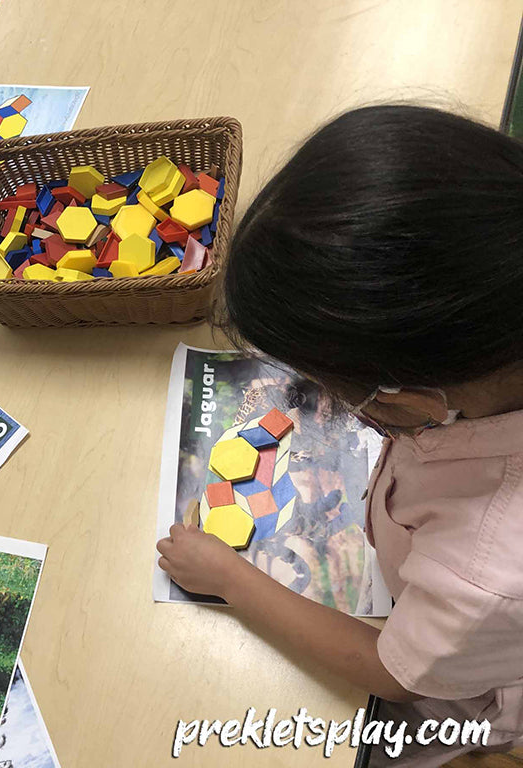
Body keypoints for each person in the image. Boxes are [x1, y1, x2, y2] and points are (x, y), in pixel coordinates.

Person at [157, 105, 523, 764]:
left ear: (412, 395)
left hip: (466, 696)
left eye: (341, 392)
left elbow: (390, 671)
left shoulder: (483, 570)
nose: (334, 406)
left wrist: (231, 580)